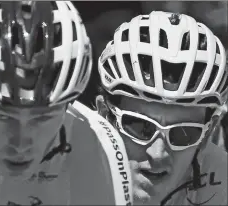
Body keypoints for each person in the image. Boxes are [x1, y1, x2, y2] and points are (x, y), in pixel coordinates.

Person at [0, 1, 133, 205]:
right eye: (3, 117)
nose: (21, 142)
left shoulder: (97, 145)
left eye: (42, 118)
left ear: (67, 105)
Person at [96, 11, 228, 205]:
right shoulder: (62, 172)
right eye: (141, 127)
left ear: (208, 133)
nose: (158, 154)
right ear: (104, 115)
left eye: (183, 133)